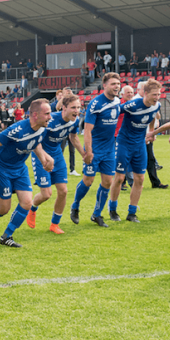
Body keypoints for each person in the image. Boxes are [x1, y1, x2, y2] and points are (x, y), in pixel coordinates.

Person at [0, 99, 53, 247]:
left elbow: (35, 143)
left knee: (27, 202)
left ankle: (7, 236)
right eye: (47, 113)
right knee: (4, 208)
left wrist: (44, 159)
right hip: (2, 168)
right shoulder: (16, 130)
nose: (50, 117)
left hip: (20, 168)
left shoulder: (43, 128)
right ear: (35, 115)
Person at [70, 72, 121, 228]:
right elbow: (87, 130)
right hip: (95, 149)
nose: (116, 87)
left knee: (107, 182)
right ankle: (75, 206)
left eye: (118, 84)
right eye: (113, 84)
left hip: (109, 150)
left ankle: (97, 214)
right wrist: (89, 151)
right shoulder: (96, 103)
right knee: (88, 180)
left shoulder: (118, 101)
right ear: (104, 85)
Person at [27, 95, 84, 234]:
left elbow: (74, 137)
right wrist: (44, 158)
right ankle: (32, 208)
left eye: (78, 107)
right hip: (41, 155)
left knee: (63, 191)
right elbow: (36, 140)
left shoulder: (74, 121)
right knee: (46, 194)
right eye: (73, 108)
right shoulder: (50, 120)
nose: (77, 111)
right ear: (64, 108)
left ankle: (54, 224)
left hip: (57, 156)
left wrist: (84, 154)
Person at [108, 79, 162, 222]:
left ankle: (132, 213)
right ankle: (112, 209)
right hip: (124, 143)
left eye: (159, 94)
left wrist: (150, 132)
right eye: (154, 95)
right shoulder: (132, 105)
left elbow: (152, 117)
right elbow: (114, 113)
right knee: (119, 178)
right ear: (145, 93)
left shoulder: (157, 105)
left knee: (140, 178)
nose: (157, 98)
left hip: (139, 145)